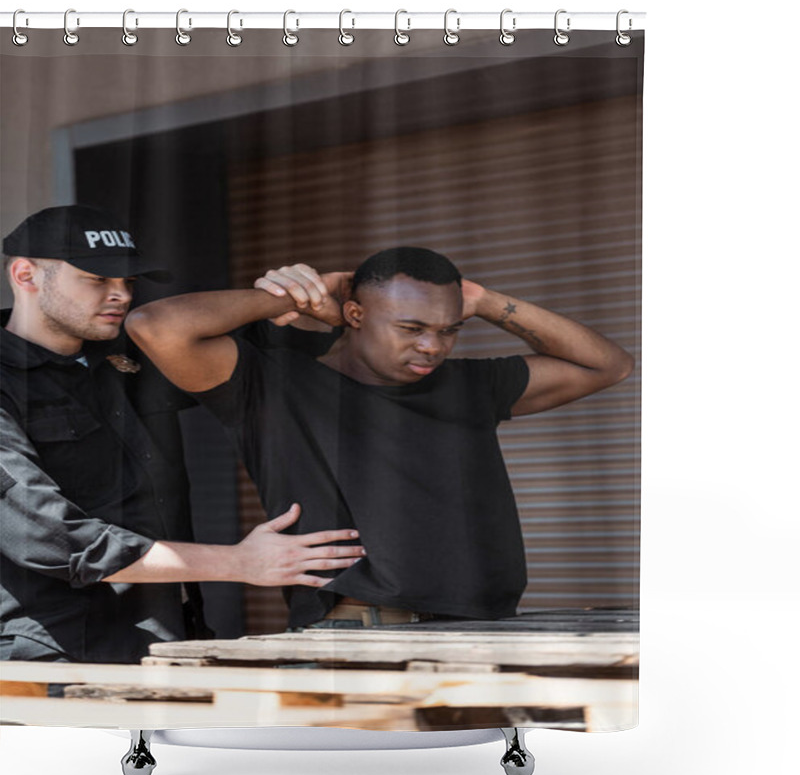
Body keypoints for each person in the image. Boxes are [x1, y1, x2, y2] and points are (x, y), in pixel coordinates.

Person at [126, 247, 635, 631]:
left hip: (485, 624)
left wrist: (484, 301)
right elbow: (155, 326)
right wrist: (290, 296)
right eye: (411, 327)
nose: (432, 345)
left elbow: (608, 365)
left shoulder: (471, 385)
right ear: (354, 315)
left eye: (449, 329)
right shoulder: (275, 386)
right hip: (360, 627)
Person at [0, 205, 365, 664]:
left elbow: (319, 355)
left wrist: (292, 296)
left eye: (128, 282)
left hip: (171, 642)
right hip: (56, 661)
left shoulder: (127, 356)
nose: (121, 295)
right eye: (98, 279)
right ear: (26, 275)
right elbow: (51, 537)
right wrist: (241, 562)